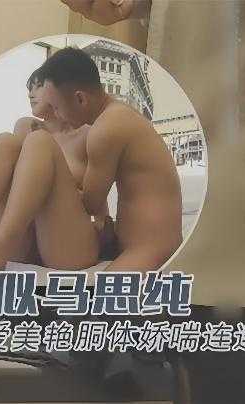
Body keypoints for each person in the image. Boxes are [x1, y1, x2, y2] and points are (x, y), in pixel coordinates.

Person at [39, 47, 182, 271]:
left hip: (151, 247)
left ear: (80, 99)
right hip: (139, 241)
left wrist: (50, 182)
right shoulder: (120, 114)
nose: (57, 116)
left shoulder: (106, 129)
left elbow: (91, 204)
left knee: (102, 290)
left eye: (56, 108)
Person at [0, 68, 102, 272]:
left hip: (66, 243)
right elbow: (17, 186)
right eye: (30, 88)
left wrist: (70, 190)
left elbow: (98, 205)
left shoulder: (88, 134)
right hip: (23, 240)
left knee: (40, 142)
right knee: (4, 142)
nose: (31, 94)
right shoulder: (25, 126)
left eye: (39, 86)